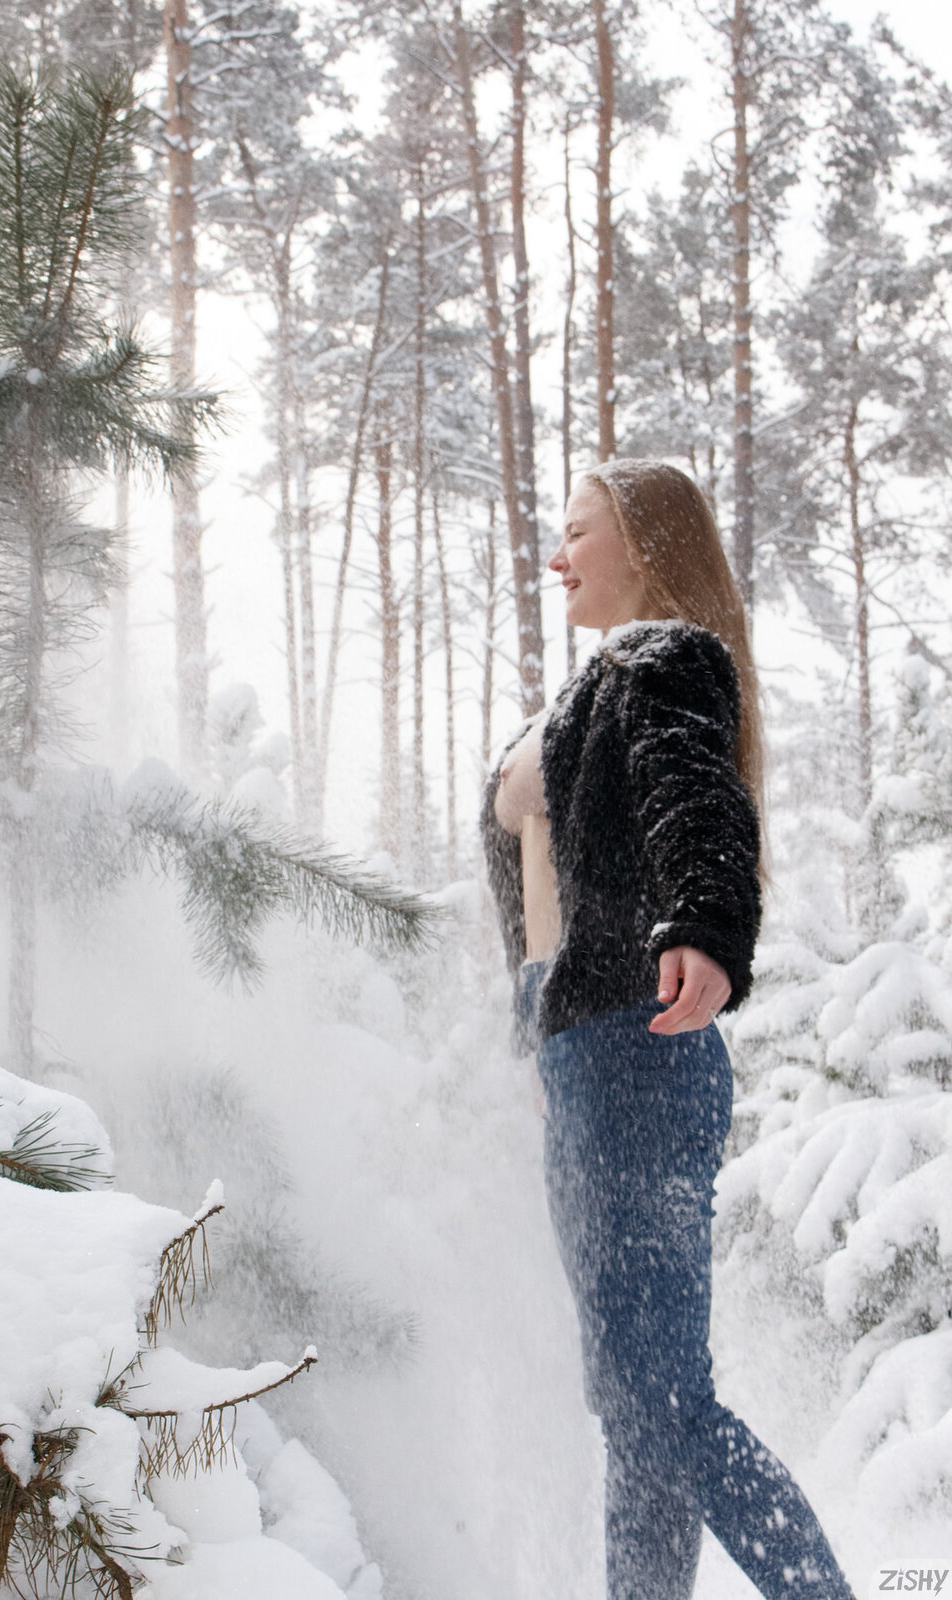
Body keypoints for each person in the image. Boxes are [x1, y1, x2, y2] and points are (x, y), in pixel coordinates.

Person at [480, 459, 857, 1600]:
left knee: (656, 1401)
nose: (558, 556)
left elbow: (693, 792)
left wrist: (700, 924)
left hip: (637, 1055)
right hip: (584, 1058)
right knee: (633, 1403)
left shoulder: (666, 658)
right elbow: (538, 885)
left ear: (644, 544)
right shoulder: (585, 692)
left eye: (579, 531)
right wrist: (535, 1032)